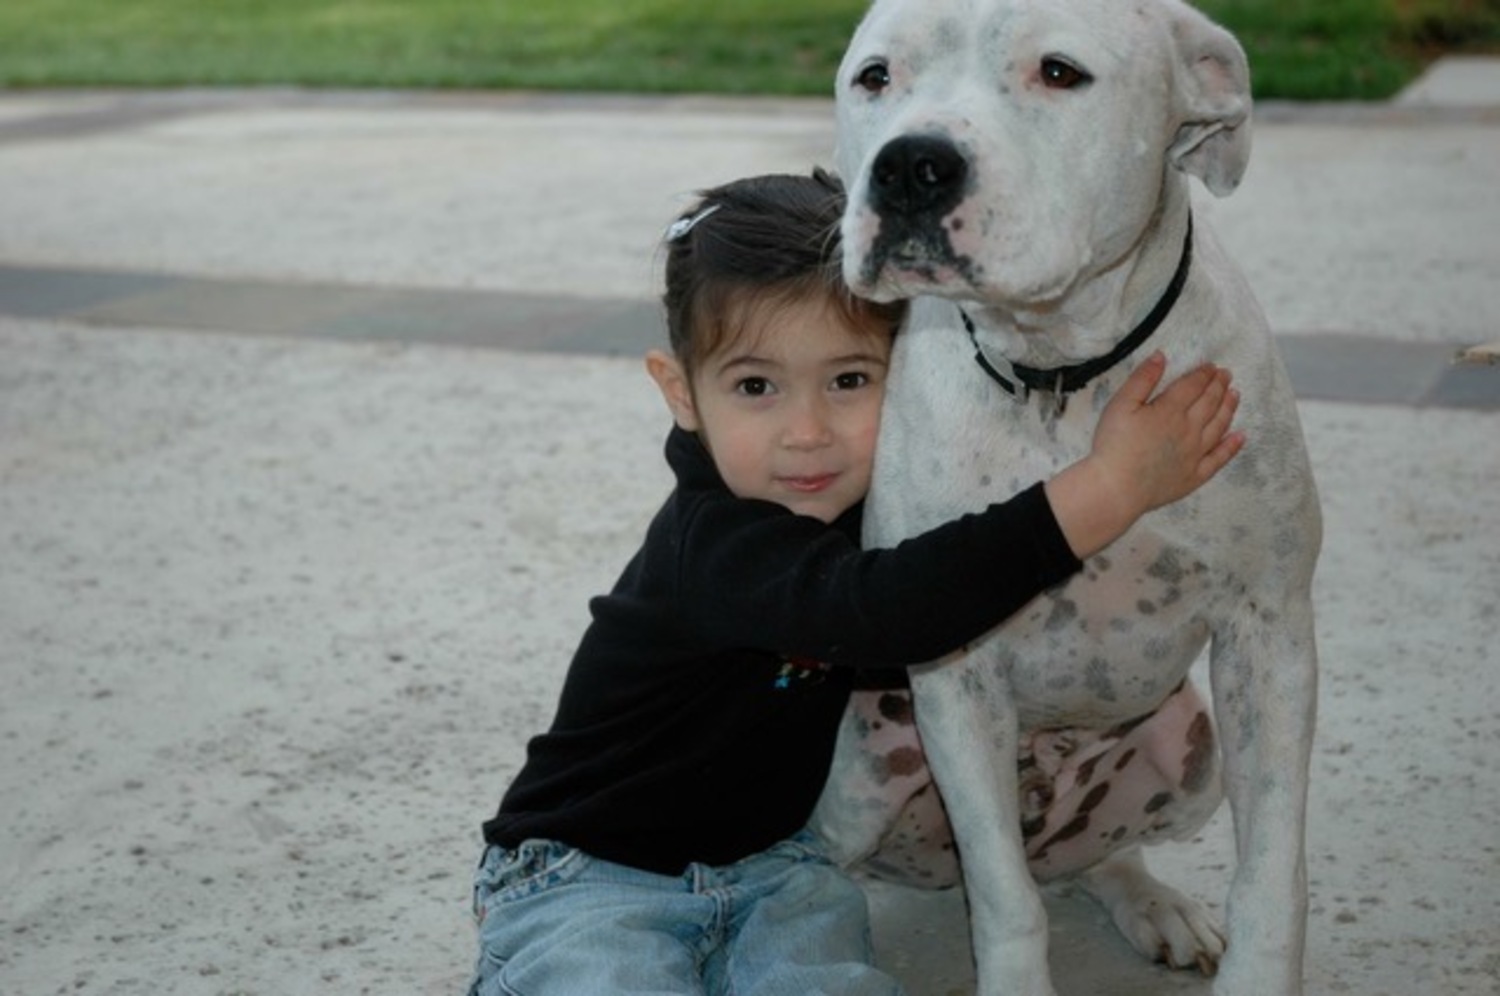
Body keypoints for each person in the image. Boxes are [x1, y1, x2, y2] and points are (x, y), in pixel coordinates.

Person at [467, 169, 1243, 996]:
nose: (807, 434)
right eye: (756, 387)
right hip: (591, 871)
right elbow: (889, 609)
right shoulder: (716, 543)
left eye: (848, 381)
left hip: (775, 870)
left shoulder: (869, 502)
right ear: (681, 393)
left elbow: (960, 575)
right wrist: (1109, 487)